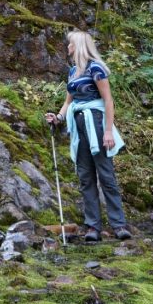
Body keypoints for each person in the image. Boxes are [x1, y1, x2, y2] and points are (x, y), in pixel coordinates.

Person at [44, 29, 132, 242]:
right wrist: (58, 118)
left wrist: (109, 131)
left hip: (96, 123)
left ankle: (118, 224)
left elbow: (108, 101)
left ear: (78, 45)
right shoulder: (73, 71)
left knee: (106, 174)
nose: (68, 47)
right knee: (85, 176)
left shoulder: (96, 68)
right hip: (79, 126)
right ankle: (92, 226)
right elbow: (69, 102)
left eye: (70, 44)